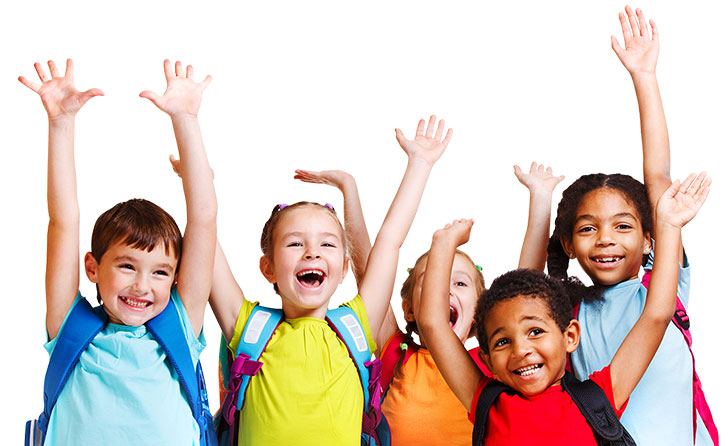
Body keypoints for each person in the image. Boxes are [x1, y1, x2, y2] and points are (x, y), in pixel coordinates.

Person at [204, 116, 451, 445]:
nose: (312, 252)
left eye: (327, 244)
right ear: (269, 268)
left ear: (345, 267)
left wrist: (419, 164)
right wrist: (193, 151)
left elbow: (390, 241)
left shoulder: (356, 327)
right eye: (295, 243)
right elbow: (204, 230)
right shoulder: (248, 326)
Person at [417, 169, 710, 444]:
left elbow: (656, 316)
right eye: (503, 341)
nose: (521, 350)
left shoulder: (597, 399)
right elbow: (432, 325)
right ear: (487, 357)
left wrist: (669, 225)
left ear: (570, 336)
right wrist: (443, 243)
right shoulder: (488, 403)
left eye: (534, 332)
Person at [19, 59, 217, 445]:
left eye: (160, 272)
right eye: (127, 266)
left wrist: (185, 120)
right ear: (92, 267)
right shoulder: (70, 327)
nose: (143, 285)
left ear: (176, 277)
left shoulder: (180, 323)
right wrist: (61, 124)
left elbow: (204, 220)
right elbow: (63, 220)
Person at [547, 7, 718, 444]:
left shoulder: (660, 289)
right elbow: (525, 279)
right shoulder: (567, 315)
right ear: (567, 243)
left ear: (650, 239)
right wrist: (538, 201)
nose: (605, 238)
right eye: (588, 229)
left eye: (623, 226)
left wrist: (644, 77)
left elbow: (658, 178)